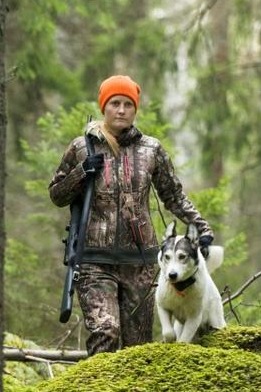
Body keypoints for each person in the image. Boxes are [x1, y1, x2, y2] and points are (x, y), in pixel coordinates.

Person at [49, 74, 215, 355]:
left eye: (128, 104)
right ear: (104, 107)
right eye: (115, 103)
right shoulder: (81, 147)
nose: (121, 109)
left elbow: (173, 196)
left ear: (135, 109)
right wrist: (81, 172)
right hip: (93, 261)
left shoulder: (152, 150)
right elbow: (56, 194)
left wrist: (202, 228)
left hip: (140, 263)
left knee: (137, 348)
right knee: (105, 331)